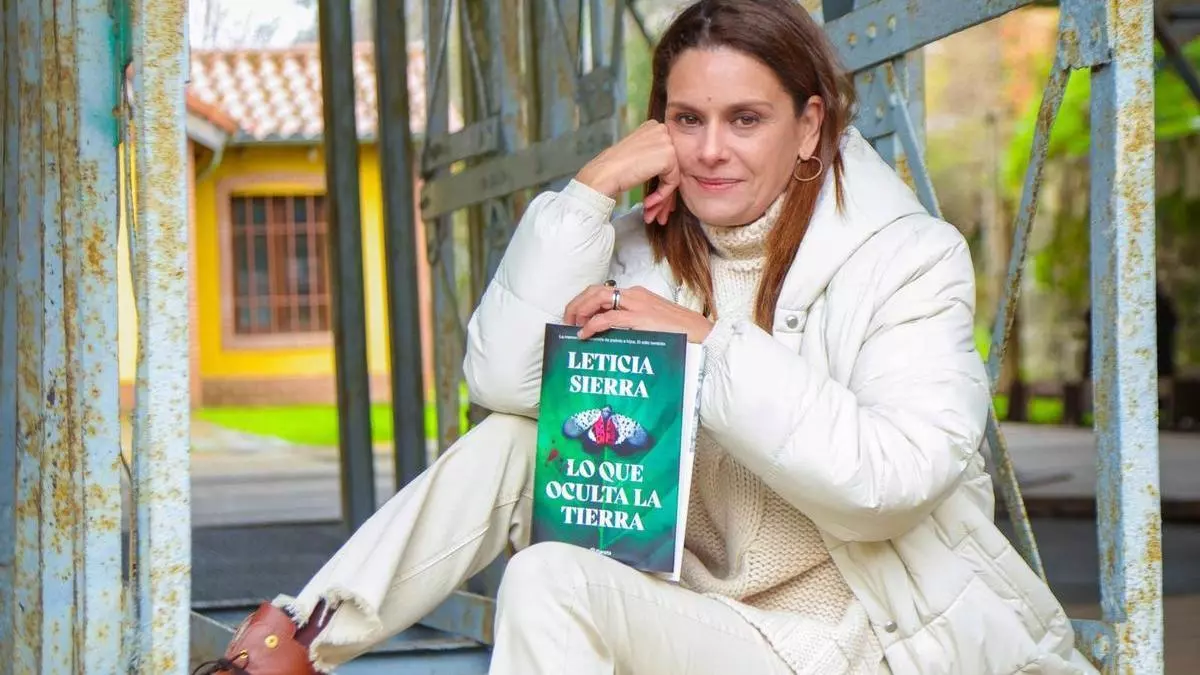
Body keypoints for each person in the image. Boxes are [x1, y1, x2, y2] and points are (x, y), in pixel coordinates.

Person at [201, 1, 1099, 673]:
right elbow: (505, 384)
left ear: (810, 125)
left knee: (547, 569)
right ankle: (300, 643)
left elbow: (887, 484)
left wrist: (708, 345)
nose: (710, 151)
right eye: (686, 119)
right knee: (523, 466)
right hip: (705, 620)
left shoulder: (907, 257)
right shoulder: (639, 246)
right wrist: (591, 190)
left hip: (859, 640)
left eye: (745, 119)